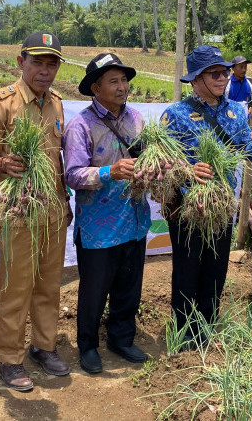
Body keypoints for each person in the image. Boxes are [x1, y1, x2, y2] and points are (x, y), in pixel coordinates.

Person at [0, 31, 71, 391]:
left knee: (48, 285)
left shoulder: (57, 103)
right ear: (20, 62)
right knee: (16, 288)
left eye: (52, 63)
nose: (45, 71)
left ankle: (43, 346)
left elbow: (57, 157)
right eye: (37, 62)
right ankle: (9, 359)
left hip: (54, 212)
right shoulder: (1, 103)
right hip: (18, 213)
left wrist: (65, 203)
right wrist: (2, 163)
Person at [160, 45, 252, 346]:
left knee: (217, 267)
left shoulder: (235, 111)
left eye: (224, 72)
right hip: (187, 207)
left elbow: (247, 151)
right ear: (195, 79)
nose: (223, 77)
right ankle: (183, 331)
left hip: (222, 205)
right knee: (187, 267)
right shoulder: (176, 115)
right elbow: (161, 161)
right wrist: (187, 171)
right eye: (214, 73)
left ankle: (207, 325)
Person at [62, 53, 151, 374]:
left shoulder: (137, 120)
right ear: (95, 88)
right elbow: (72, 175)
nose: (122, 86)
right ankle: (87, 345)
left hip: (135, 220)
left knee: (129, 287)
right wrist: (108, 172)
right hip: (98, 228)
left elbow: (147, 157)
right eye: (113, 81)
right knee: (94, 290)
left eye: (124, 80)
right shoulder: (80, 126)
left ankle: (122, 338)